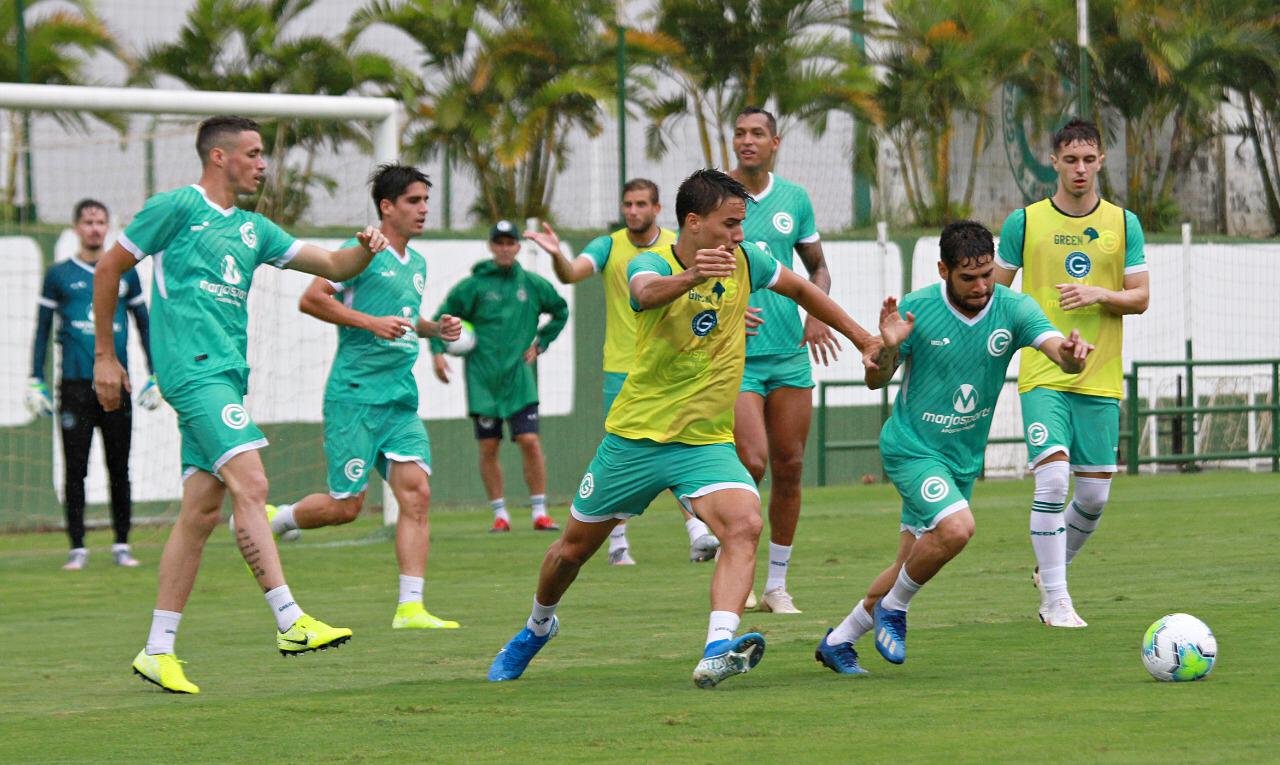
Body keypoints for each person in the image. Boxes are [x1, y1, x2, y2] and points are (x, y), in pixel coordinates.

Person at [487, 169, 879, 689]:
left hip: (703, 442)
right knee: (570, 552)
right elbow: (646, 293)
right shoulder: (652, 261)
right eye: (730, 224)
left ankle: (718, 646)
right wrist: (694, 278)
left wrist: (863, 340)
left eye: (743, 224)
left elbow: (804, 289)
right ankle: (537, 627)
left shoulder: (745, 260)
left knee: (744, 523)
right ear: (693, 223)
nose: (740, 235)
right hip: (635, 438)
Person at [92, 115, 390, 694]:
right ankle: (289, 620)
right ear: (220, 157)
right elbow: (110, 267)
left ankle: (158, 649)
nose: (262, 164)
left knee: (201, 513)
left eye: (263, 154)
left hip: (226, 378)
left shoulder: (255, 231)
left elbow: (332, 266)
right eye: (253, 154)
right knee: (251, 483)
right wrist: (107, 355)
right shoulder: (176, 207)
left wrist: (364, 247)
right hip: (193, 373)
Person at [815, 221, 1093, 677]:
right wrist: (886, 349)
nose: (981, 285)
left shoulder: (1013, 308)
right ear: (943, 269)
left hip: (961, 461)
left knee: (910, 562)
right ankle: (896, 609)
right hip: (912, 449)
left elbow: (1054, 348)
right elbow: (875, 380)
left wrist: (1071, 352)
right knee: (958, 528)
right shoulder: (916, 310)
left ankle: (839, 641)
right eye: (969, 277)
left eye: (987, 274)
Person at [234, 163, 463, 631]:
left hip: (399, 399)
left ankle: (411, 607)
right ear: (387, 206)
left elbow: (403, 316)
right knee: (347, 507)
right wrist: (370, 323)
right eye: (414, 201)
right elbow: (313, 298)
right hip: (354, 397)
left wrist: (433, 328)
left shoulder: (415, 264)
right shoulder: (362, 251)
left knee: (416, 494)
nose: (423, 210)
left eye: (424, 200)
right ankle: (282, 518)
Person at [994, 118, 1149, 628]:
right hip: (1044, 369)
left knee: (1094, 494)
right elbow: (994, 294)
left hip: (1100, 376)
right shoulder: (1025, 222)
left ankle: (1050, 571)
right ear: (1054, 161)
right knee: (1053, 477)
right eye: (1070, 159)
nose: (1079, 168)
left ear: (1100, 161)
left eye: (1089, 159)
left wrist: (1100, 294)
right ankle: (1056, 601)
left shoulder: (1123, 225)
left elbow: (1140, 297)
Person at [523, 178, 721, 566]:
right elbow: (572, 273)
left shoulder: (676, 244)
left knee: (678, 446)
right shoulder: (609, 245)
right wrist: (557, 257)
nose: (633, 211)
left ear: (658, 208)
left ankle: (697, 530)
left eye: (641, 204)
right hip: (621, 369)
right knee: (623, 457)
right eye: (628, 204)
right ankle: (618, 543)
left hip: (672, 368)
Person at [729, 107, 840, 614]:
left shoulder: (794, 199)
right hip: (736, 358)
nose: (746, 141)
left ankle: (777, 585)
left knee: (791, 467)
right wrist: (723, 306)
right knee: (751, 462)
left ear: (776, 142)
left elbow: (818, 269)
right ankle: (738, 577)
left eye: (757, 134)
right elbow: (689, 261)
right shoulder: (715, 196)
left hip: (789, 357)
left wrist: (816, 315)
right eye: (740, 133)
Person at [27, 200, 159, 570]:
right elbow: (41, 330)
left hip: (118, 386)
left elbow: (144, 323)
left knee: (120, 467)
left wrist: (153, 374)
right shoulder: (57, 275)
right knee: (76, 468)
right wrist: (34, 379)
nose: (95, 228)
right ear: (75, 227)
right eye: (88, 222)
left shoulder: (125, 272)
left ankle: (121, 543)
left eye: (101, 222)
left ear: (108, 227)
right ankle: (78, 547)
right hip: (74, 387)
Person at [430, 220, 568, 532]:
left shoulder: (532, 284)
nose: (505, 248)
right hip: (483, 381)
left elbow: (560, 310)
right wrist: (438, 351)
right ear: (492, 247)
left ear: (518, 247)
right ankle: (500, 514)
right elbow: (444, 315)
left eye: (511, 242)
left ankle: (539, 512)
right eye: (499, 242)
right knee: (488, 447)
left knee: (530, 441)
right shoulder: (474, 286)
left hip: (519, 378)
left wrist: (541, 342)